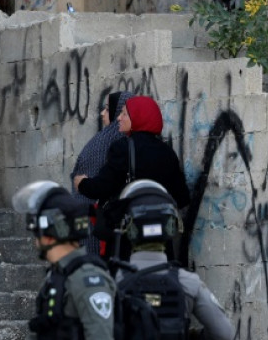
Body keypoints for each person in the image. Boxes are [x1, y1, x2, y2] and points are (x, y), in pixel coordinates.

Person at [115, 180, 235, 340]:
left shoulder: (113, 283)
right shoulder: (188, 282)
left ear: (128, 228)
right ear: (171, 226)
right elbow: (224, 333)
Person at [74, 95, 191, 258]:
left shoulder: (122, 148)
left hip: (129, 238)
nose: (119, 118)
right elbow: (182, 197)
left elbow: (100, 188)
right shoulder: (167, 152)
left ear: (138, 117)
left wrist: (81, 183)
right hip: (161, 241)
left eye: (124, 114)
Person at [12, 180, 117, 340]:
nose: (36, 241)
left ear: (47, 237)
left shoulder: (86, 279)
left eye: (36, 234)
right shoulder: (58, 275)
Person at [70, 91, 134, 255]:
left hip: (95, 222)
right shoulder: (113, 139)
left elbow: (98, 185)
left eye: (107, 109)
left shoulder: (110, 141)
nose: (102, 113)